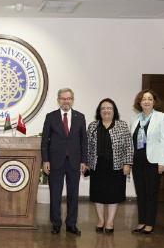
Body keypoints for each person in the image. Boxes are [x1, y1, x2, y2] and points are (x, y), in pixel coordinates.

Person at [41, 88, 88, 236]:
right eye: (63, 98)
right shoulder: (51, 117)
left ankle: (71, 224)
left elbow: (84, 141)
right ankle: (56, 224)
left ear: (72, 100)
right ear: (58, 100)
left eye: (69, 98)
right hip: (55, 161)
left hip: (74, 162)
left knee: (73, 194)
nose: (66, 101)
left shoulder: (80, 117)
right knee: (55, 194)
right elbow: (44, 141)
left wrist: (84, 160)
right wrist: (45, 160)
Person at [87, 98, 132, 233]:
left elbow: (129, 146)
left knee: (114, 194)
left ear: (114, 111)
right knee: (98, 194)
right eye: (103, 108)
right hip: (97, 165)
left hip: (116, 166)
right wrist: (86, 163)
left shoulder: (122, 125)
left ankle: (110, 222)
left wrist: (127, 163)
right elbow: (87, 146)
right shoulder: (93, 126)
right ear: (99, 111)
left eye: (109, 108)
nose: (106, 110)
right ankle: (101, 220)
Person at [129, 89, 164, 234]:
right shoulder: (135, 118)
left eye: (150, 99)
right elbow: (131, 141)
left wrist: (162, 162)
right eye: (144, 99)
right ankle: (142, 221)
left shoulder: (161, 117)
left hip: (153, 161)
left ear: (154, 102)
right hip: (137, 161)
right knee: (141, 192)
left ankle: (150, 223)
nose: (146, 101)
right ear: (139, 102)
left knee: (151, 193)